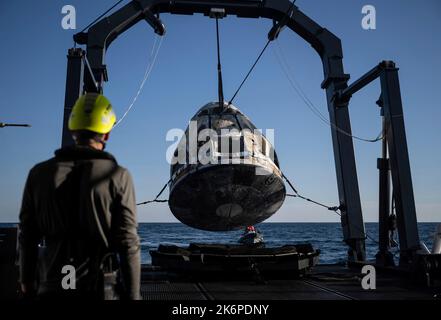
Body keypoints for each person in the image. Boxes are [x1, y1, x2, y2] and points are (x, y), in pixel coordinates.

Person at [18, 93, 140, 300]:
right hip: (100, 289)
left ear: (72, 129)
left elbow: (28, 237)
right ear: (107, 134)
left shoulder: (38, 173)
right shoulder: (119, 176)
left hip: (51, 286)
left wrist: (27, 283)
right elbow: (128, 242)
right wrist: (133, 296)